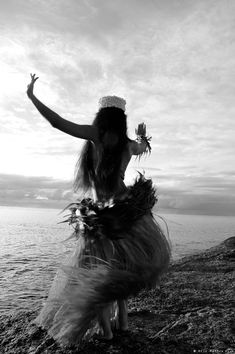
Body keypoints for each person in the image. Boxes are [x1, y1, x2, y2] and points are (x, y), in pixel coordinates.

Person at [26, 73, 171, 346]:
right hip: (128, 210)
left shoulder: (96, 135)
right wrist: (141, 136)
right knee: (119, 268)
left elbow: (57, 122)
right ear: (122, 119)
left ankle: (106, 331)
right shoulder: (128, 144)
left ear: (101, 117)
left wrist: (32, 96)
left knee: (99, 273)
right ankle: (123, 323)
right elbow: (143, 146)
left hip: (104, 217)